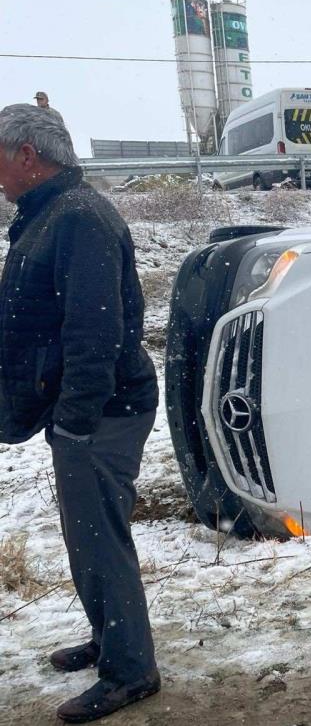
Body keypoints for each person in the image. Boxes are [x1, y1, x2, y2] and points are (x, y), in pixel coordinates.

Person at [0, 104, 160, 722]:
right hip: (84, 411)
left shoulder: (79, 218)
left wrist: (74, 418)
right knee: (85, 536)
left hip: (102, 412)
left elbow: (97, 332)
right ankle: (110, 638)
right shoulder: (50, 215)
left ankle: (131, 672)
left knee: (99, 541)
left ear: (27, 156)